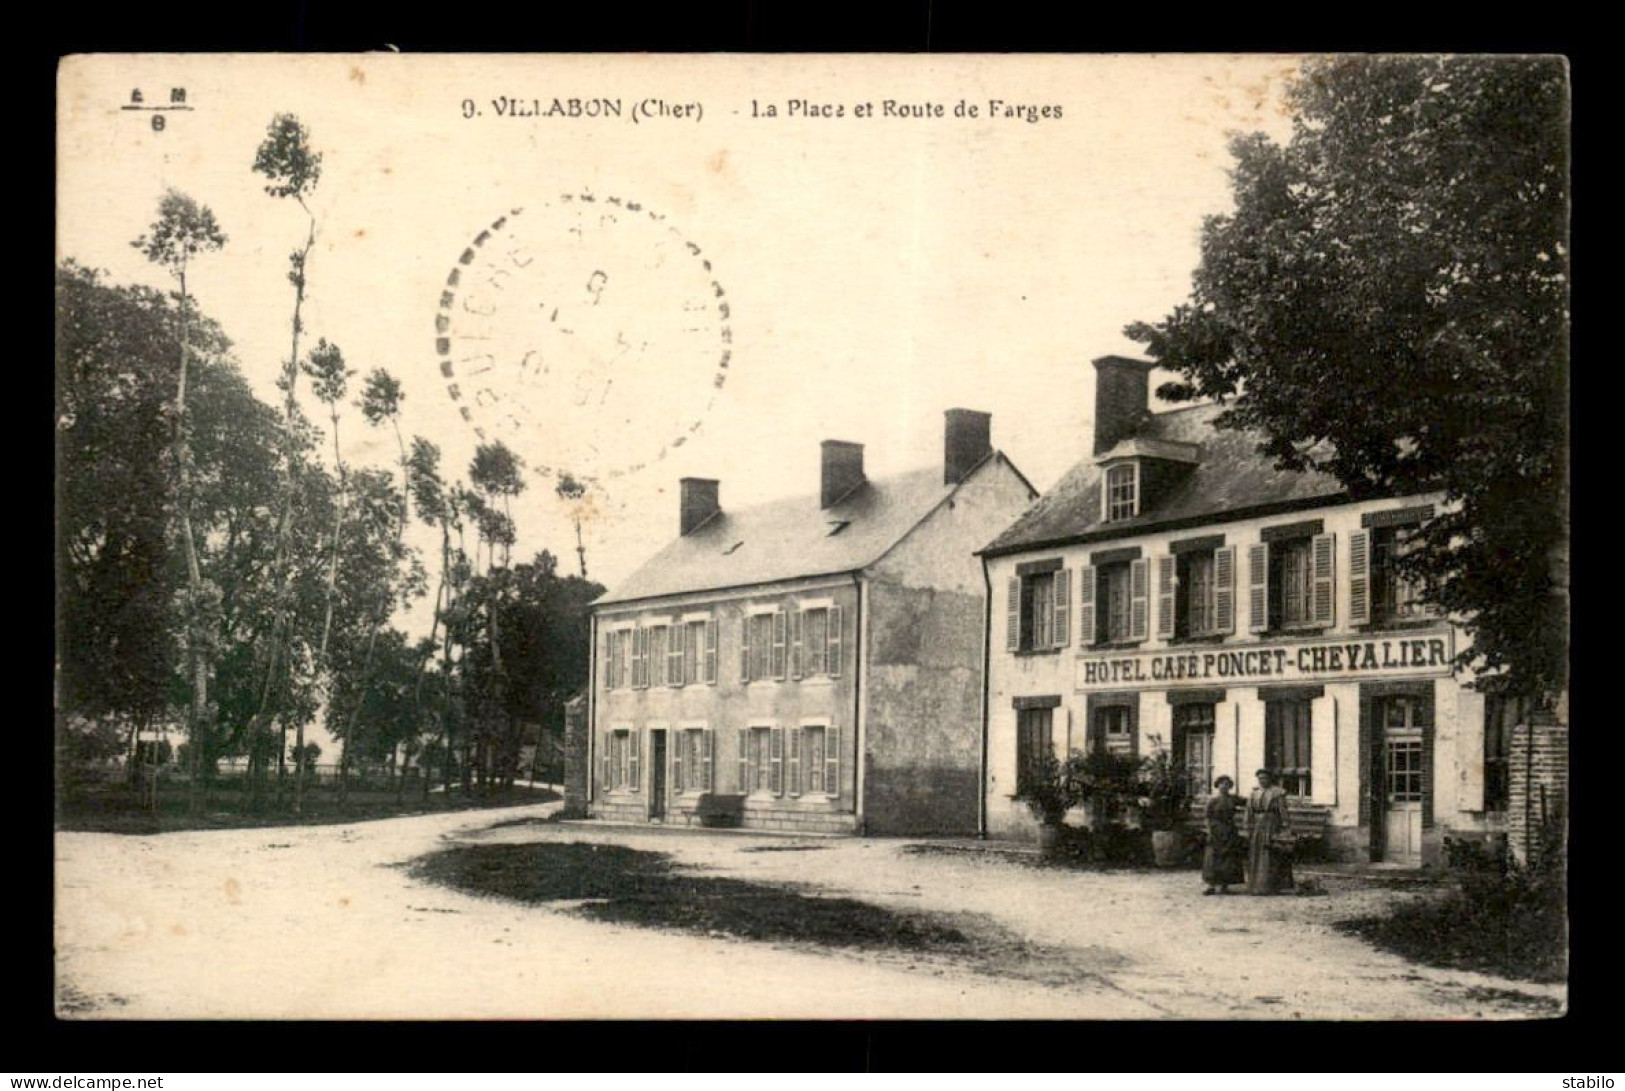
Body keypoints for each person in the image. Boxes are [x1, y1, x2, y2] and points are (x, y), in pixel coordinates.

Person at [1246, 768, 1295, 895]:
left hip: (1272, 824)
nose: (1262, 780)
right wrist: (1248, 825)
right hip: (1257, 825)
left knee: (1271, 853)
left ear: (1270, 779)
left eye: (1265, 778)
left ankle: (1271, 885)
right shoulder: (1254, 793)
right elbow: (1249, 811)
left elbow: (1283, 811)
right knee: (1257, 853)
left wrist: (1286, 826)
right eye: (1260, 778)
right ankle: (1257, 885)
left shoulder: (1277, 793)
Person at [1202, 775, 1245, 895]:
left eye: (1227, 784)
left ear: (1230, 786)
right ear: (1217, 785)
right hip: (1216, 830)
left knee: (1229, 857)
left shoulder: (1233, 799)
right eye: (1222, 784)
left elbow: (1249, 803)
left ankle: (1224, 885)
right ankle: (1211, 885)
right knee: (1213, 856)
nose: (1224, 786)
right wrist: (1209, 830)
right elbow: (1207, 817)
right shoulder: (1212, 800)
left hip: (1229, 830)